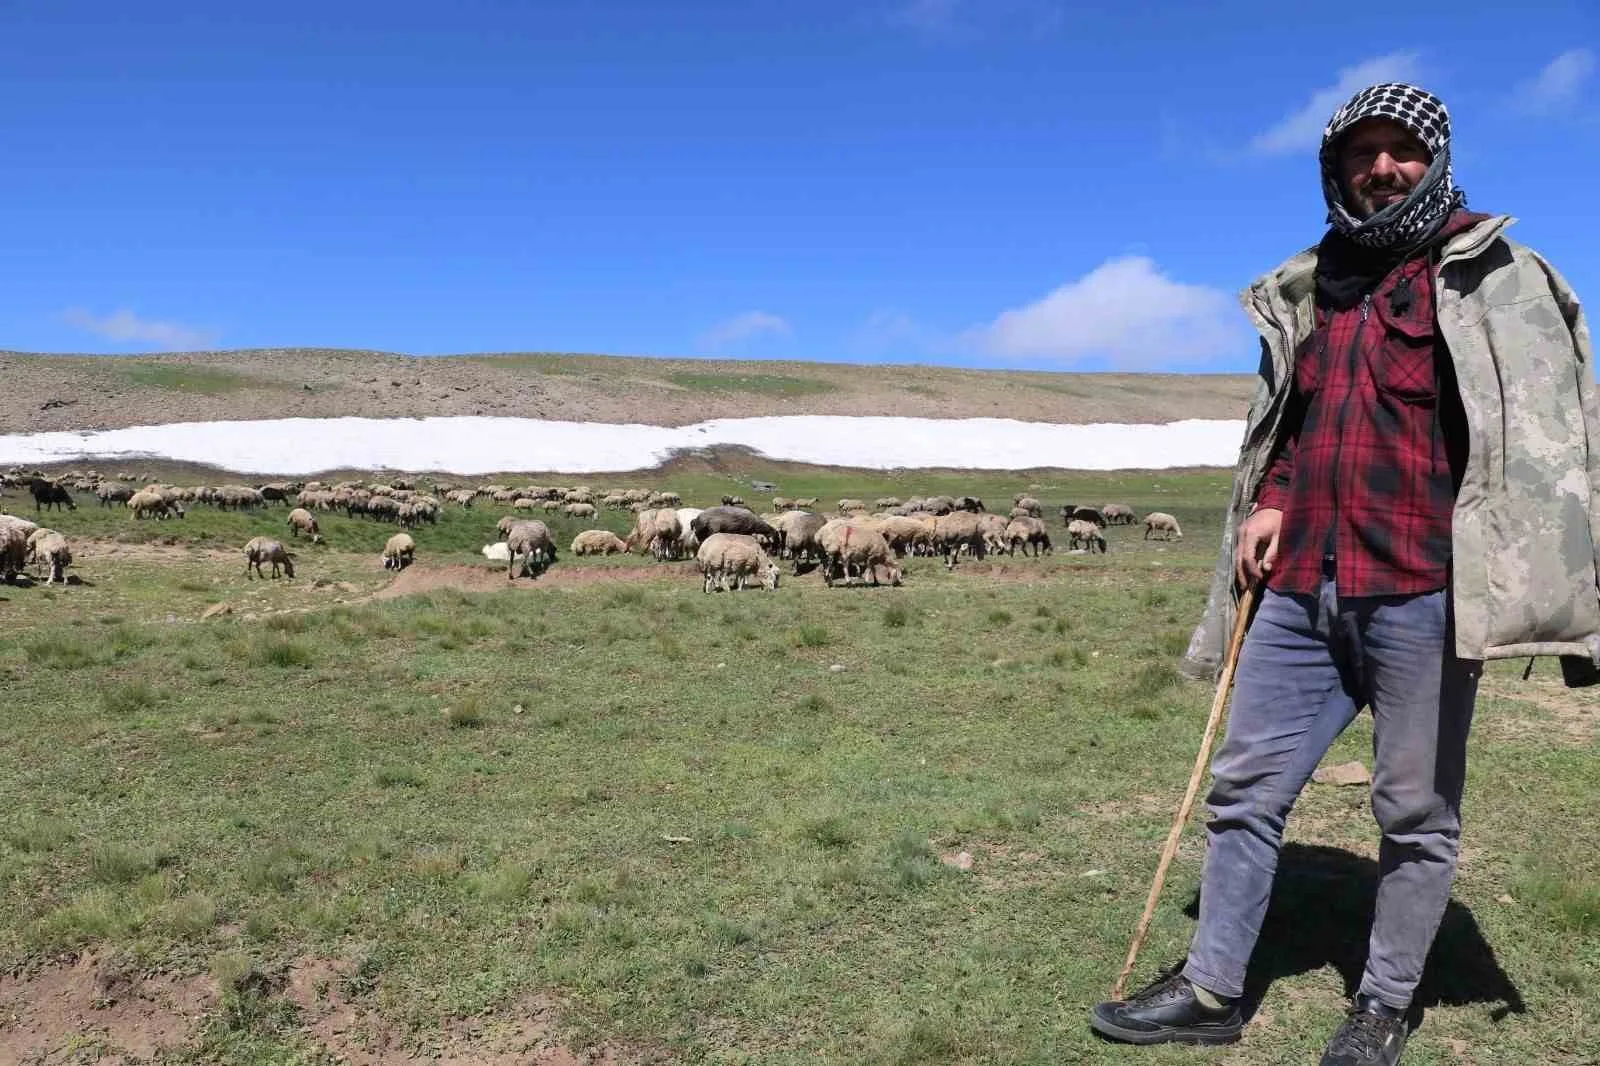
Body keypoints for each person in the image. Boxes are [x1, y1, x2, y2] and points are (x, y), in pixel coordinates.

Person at [1091, 83, 1600, 1066]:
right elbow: (1292, 421)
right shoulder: (1311, 284)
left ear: (1434, 156)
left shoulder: (1494, 279)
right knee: (1241, 790)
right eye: (1360, 154)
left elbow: (1542, 437)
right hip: (1300, 592)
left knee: (1413, 814)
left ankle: (1381, 1005)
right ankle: (1209, 986)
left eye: (1399, 150)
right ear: (1335, 170)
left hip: (1423, 591)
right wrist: (1274, 495)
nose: (1380, 168)